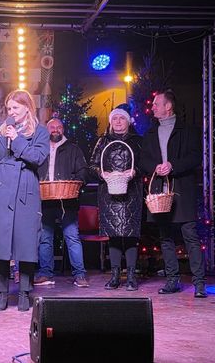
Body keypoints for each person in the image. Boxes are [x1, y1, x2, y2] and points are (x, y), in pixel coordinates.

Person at [0, 90, 49, 312]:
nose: (11, 112)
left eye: (15, 108)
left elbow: (37, 158)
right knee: (1, 243)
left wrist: (17, 140)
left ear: (27, 107)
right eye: (9, 108)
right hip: (1, 189)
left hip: (26, 190)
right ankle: (2, 293)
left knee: (26, 243)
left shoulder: (40, 131)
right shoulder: (0, 130)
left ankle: (24, 293)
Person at [140, 90, 207, 298]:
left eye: (156, 104)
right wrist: (155, 167)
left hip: (183, 191)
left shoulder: (188, 130)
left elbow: (195, 157)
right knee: (165, 237)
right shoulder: (151, 133)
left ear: (168, 106)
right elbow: (143, 160)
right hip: (160, 192)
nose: (152, 107)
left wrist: (173, 166)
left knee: (190, 236)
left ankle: (199, 283)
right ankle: (172, 281)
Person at [90, 106, 143, 291]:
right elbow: (92, 165)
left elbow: (145, 163)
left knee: (130, 235)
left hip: (131, 193)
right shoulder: (103, 141)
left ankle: (131, 276)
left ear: (128, 122)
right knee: (113, 235)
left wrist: (134, 172)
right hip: (109, 193)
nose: (118, 122)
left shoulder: (137, 141)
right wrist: (101, 173)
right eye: (115, 119)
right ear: (110, 122)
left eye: (122, 118)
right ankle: (114, 276)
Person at [35, 118, 89, 288]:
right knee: (45, 238)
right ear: (47, 130)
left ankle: (80, 274)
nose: (55, 130)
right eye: (52, 127)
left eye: (59, 127)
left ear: (63, 129)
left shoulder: (73, 149)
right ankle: (45, 273)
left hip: (67, 201)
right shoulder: (40, 148)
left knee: (72, 237)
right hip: (44, 200)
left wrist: (75, 183)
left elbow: (83, 172)